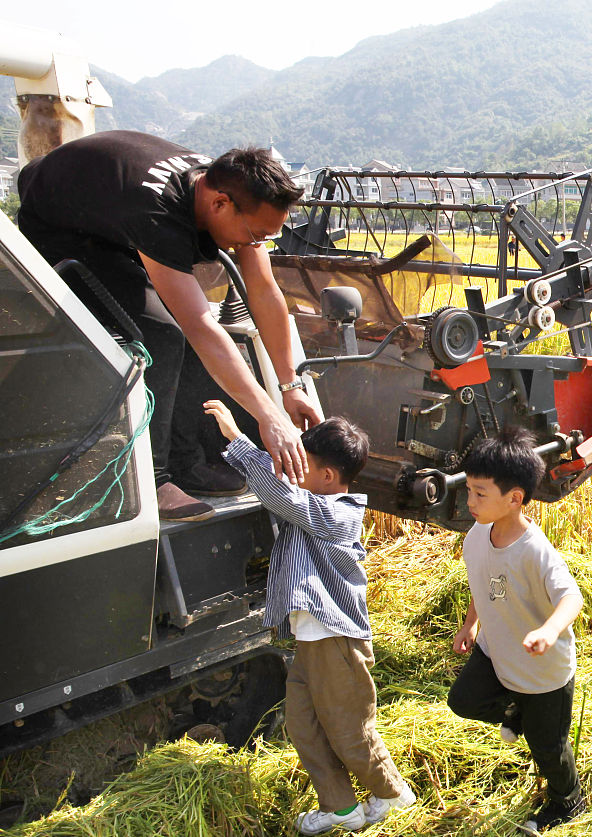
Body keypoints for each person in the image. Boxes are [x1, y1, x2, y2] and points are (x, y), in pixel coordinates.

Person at [17, 131, 318, 521]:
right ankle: (153, 480)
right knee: (162, 333)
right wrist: (270, 416)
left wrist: (289, 387)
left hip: (107, 212)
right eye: (255, 235)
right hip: (61, 230)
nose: (255, 243)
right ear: (219, 203)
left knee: (190, 330)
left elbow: (263, 291)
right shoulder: (156, 211)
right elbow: (198, 325)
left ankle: (187, 461)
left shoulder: (234, 190)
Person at [203, 400, 416, 835]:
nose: (294, 469)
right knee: (303, 725)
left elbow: (282, 495)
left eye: (304, 464)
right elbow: (288, 493)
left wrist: (238, 441)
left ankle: (392, 794)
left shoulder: (338, 514)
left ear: (328, 476)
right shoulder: (313, 500)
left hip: (337, 639)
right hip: (310, 639)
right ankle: (341, 808)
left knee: (349, 728)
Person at [447, 427, 587, 834]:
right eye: (469, 490)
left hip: (542, 674)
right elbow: (481, 581)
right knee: (463, 701)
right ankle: (515, 713)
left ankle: (568, 801)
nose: (470, 502)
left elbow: (571, 598)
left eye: (479, 494)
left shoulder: (535, 551)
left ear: (514, 499)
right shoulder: (476, 537)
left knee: (548, 749)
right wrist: (470, 624)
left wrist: (548, 631)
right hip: (496, 652)